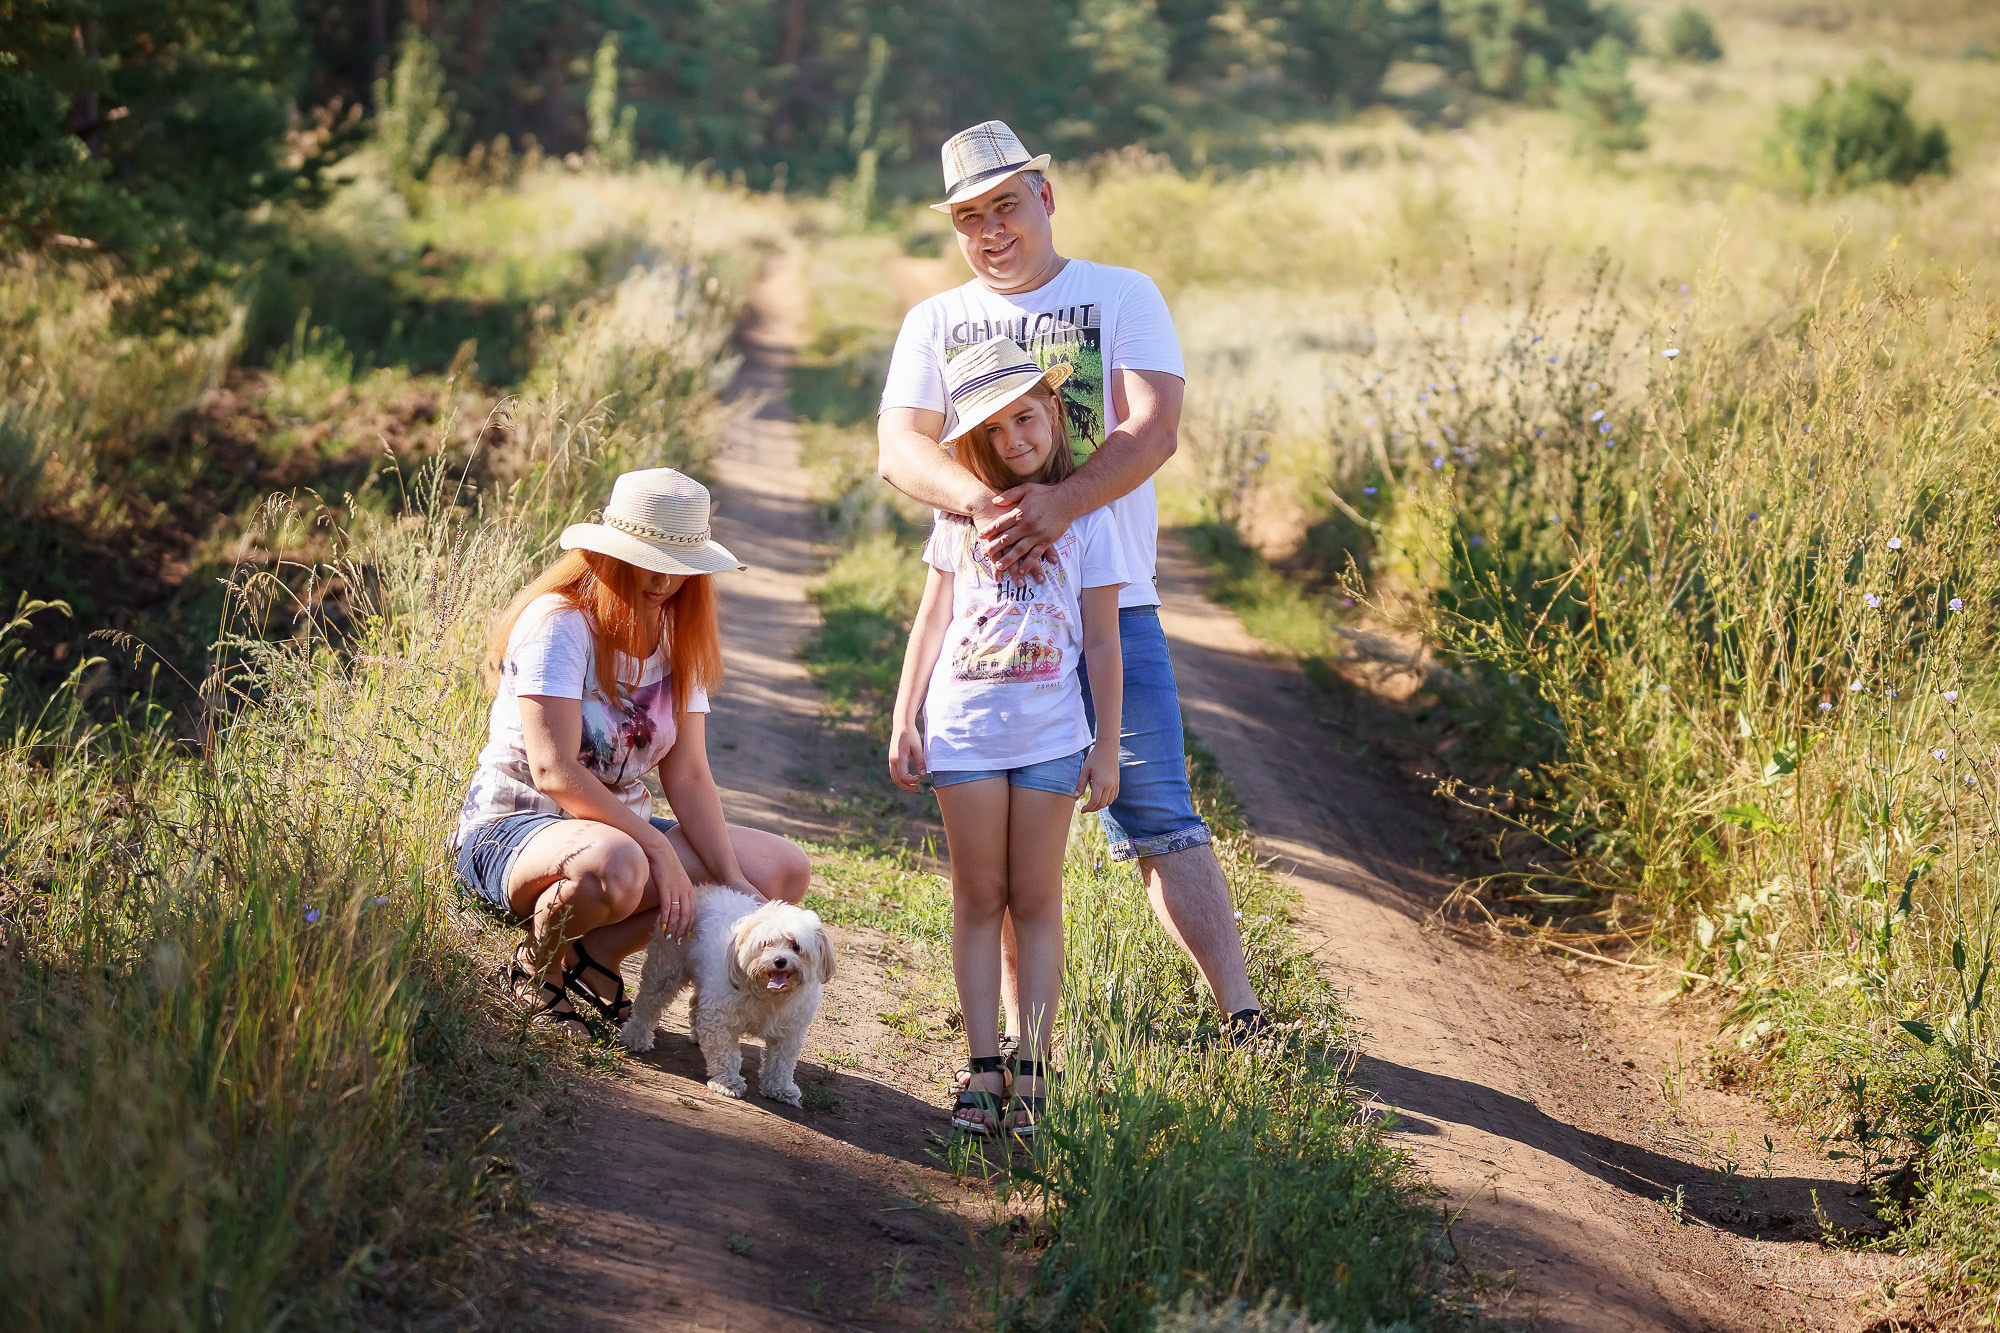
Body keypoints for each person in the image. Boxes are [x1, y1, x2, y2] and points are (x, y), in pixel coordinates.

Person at [877, 120, 1268, 1065]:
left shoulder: (1120, 295)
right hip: (990, 631)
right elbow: (900, 448)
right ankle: (1019, 1048)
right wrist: (982, 504)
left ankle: (1245, 1015)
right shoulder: (934, 322)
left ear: (1044, 198)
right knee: (1009, 853)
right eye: (969, 217)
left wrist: (1058, 505)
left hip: (1108, 601)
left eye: (1005, 205)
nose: (990, 230)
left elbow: (1155, 426)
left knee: (1158, 806)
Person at [453, 468, 811, 1038]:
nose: (662, 579)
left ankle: (594, 956)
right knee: (617, 863)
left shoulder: (677, 636)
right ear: (612, 553)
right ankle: (534, 969)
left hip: (618, 833)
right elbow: (553, 769)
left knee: (781, 870)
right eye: (648, 558)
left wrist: (734, 881)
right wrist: (658, 851)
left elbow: (689, 773)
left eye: (677, 564)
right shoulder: (560, 624)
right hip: (516, 829)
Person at [888, 337, 1125, 1136]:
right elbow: (932, 618)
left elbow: (1102, 640)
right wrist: (904, 714)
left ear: (1053, 412)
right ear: (975, 443)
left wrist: (1106, 743)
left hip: (1053, 736)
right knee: (979, 895)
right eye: (994, 429)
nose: (1015, 437)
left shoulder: (1092, 515)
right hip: (965, 735)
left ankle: (1035, 1065)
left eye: (1026, 417)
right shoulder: (956, 517)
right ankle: (983, 1064)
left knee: (1037, 897)